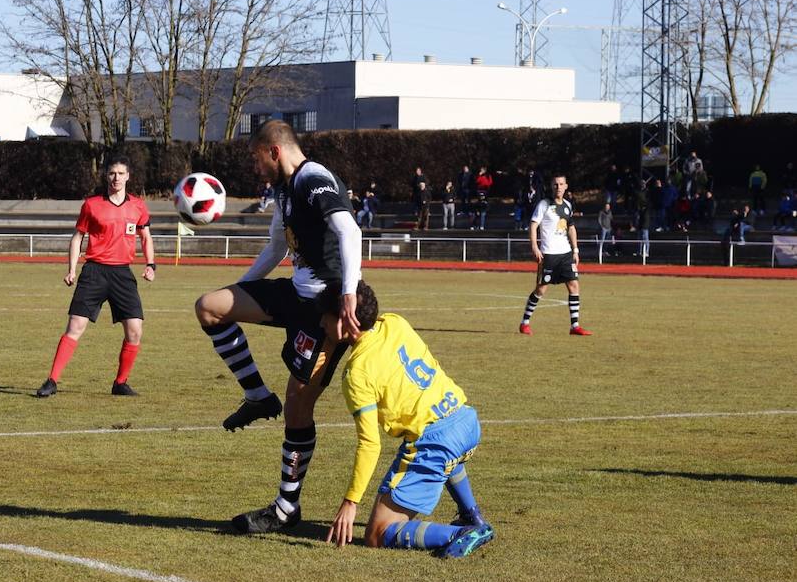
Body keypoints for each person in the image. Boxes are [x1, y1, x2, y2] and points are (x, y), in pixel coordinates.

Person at [194, 119, 362, 534]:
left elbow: (349, 230)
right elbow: (277, 247)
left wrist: (349, 293)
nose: (255, 169)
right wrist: (244, 289)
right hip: (294, 295)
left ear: (274, 151)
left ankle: (286, 509)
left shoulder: (314, 178)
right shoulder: (284, 191)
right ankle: (256, 397)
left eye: (256, 159)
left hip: (325, 308)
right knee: (211, 307)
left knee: (298, 407)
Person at [320, 281, 494, 558]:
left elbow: (369, 445)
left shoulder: (356, 374)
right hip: (465, 420)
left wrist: (350, 502)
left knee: (377, 534)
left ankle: (462, 533)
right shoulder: (394, 322)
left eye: (324, 315)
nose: (320, 321)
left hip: (436, 441)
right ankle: (471, 515)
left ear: (344, 319)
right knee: (445, 453)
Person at [36, 155, 156, 398]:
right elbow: (78, 237)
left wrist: (151, 265)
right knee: (75, 326)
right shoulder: (91, 205)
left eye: (121, 173)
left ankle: (120, 383)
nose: (116, 178)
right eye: (112, 173)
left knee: (135, 331)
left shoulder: (138, 206)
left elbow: (146, 237)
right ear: (106, 176)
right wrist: (71, 269)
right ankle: (52, 381)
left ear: (128, 176)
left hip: (123, 273)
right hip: (94, 272)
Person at [519, 175, 592, 336]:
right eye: (555, 184)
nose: (558, 187)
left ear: (566, 186)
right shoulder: (544, 204)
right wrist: (534, 246)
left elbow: (571, 228)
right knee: (541, 290)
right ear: (551, 187)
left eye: (561, 184)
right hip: (549, 255)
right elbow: (533, 225)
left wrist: (575, 250)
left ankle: (575, 326)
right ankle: (525, 322)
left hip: (565, 254)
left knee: (574, 286)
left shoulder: (567, 205)